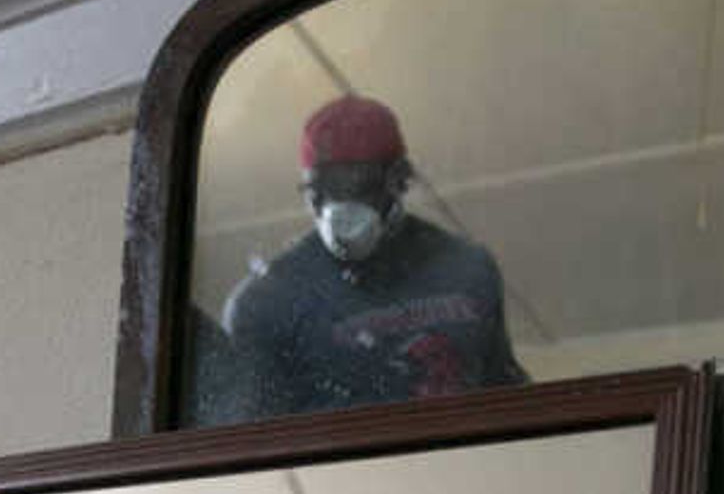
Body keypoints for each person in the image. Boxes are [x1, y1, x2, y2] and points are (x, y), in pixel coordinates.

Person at [214, 96, 530, 416]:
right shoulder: (269, 302)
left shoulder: (466, 270)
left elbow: (507, 397)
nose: (339, 209)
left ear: (400, 180)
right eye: (321, 192)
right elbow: (254, 441)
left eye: (359, 185)